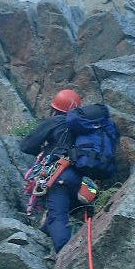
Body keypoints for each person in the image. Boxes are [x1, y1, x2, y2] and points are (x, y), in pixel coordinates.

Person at [19, 88, 84, 253]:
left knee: (57, 216)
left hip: (59, 175)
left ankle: (65, 256)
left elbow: (26, 146)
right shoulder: (85, 127)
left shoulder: (55, 122)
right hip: (83, 180)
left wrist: (44, 150)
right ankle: (49, 235)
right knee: (60, 212)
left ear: (55, 108)